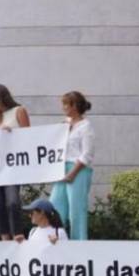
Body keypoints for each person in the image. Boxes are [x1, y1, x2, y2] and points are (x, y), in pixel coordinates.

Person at [0, 84, 30, 240]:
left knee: (12, 202)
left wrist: (13, 134)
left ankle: (17, 234)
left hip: (13, 165)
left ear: (0, 98)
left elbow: (30, 137)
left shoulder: (19, 111)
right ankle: (5, 238)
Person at [50, 91, 95, 240]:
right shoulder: (65, 124)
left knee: (76, 211)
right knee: (55, 206)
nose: (63, 107)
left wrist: (73, 173)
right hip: (62, 168)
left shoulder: (86, 127)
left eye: (65, 104)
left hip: (78, 170)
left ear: (74, 106)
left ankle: (79, 244)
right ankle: (55, 239)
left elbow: (87, 154)